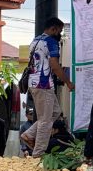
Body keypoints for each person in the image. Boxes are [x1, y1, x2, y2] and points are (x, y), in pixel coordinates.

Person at [20, 17, 75, 158]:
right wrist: (68, 82)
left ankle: (29, 134)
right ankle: (38, 154)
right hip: (43, 84)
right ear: (53, 29)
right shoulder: (51, 42)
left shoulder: (36, 40)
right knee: (45, 120)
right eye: (59, 31)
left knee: (55, 112)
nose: (60, 34)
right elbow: (54, 65)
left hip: (33, 83)